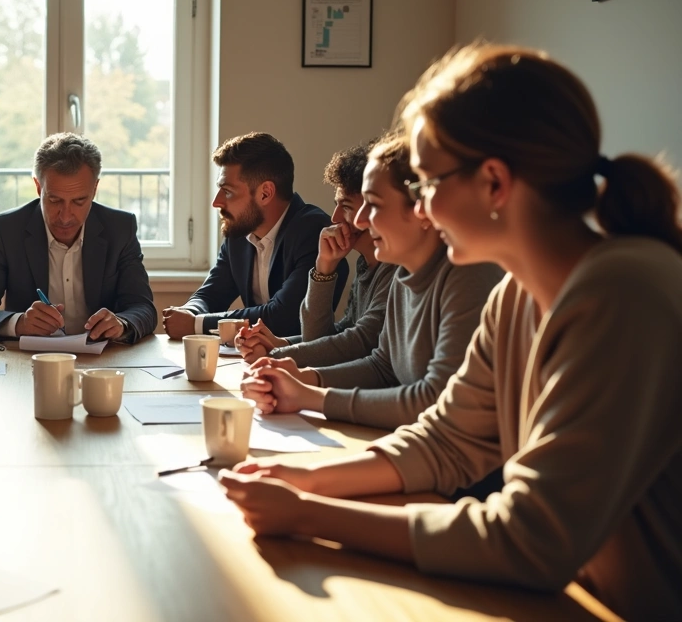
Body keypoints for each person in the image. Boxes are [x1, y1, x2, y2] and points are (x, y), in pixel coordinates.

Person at [220, 44, 682, 620]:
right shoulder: (515, 296)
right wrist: (307, 480)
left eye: (429, 183)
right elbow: (447, 440)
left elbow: (531, 538)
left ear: (494, 183)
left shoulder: (623, 292)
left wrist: (310, 515)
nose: (423, 207)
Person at [239, 133, 504, 430]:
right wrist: (303, 377)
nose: (357, 220)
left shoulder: (469, 274)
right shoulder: (405, 273)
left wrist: (309, 392)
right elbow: (382, 365)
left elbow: (435, 402)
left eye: (372, 204)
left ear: (421, 208)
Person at [0, 132, 156, 342]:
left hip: (102, 359)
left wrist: (121, 324)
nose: (66, 216)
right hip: (29, 363)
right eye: (54, 200)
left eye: (79, 201)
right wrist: (19, 323)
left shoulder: (120, 228)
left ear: (95, 189)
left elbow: (143, 308)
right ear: (38, 187)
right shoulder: (7, 230)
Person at [163, 132, 347, 340]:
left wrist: (196, 324)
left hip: (301, 364)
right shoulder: (240, 233)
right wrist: (189, 312)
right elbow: (212, 293)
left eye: (228, 191)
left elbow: (285, 318)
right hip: (253, 358)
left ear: (265, 193)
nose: (217, 202)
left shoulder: (313, 232)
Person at [236, 141, 398, 366]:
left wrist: (274, 356)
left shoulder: (395, 271)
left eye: (347, 207)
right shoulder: (366, 265)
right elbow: (332, 335)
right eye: (337, 205)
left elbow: (360, 342)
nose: (335, 218)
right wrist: (324, 267)